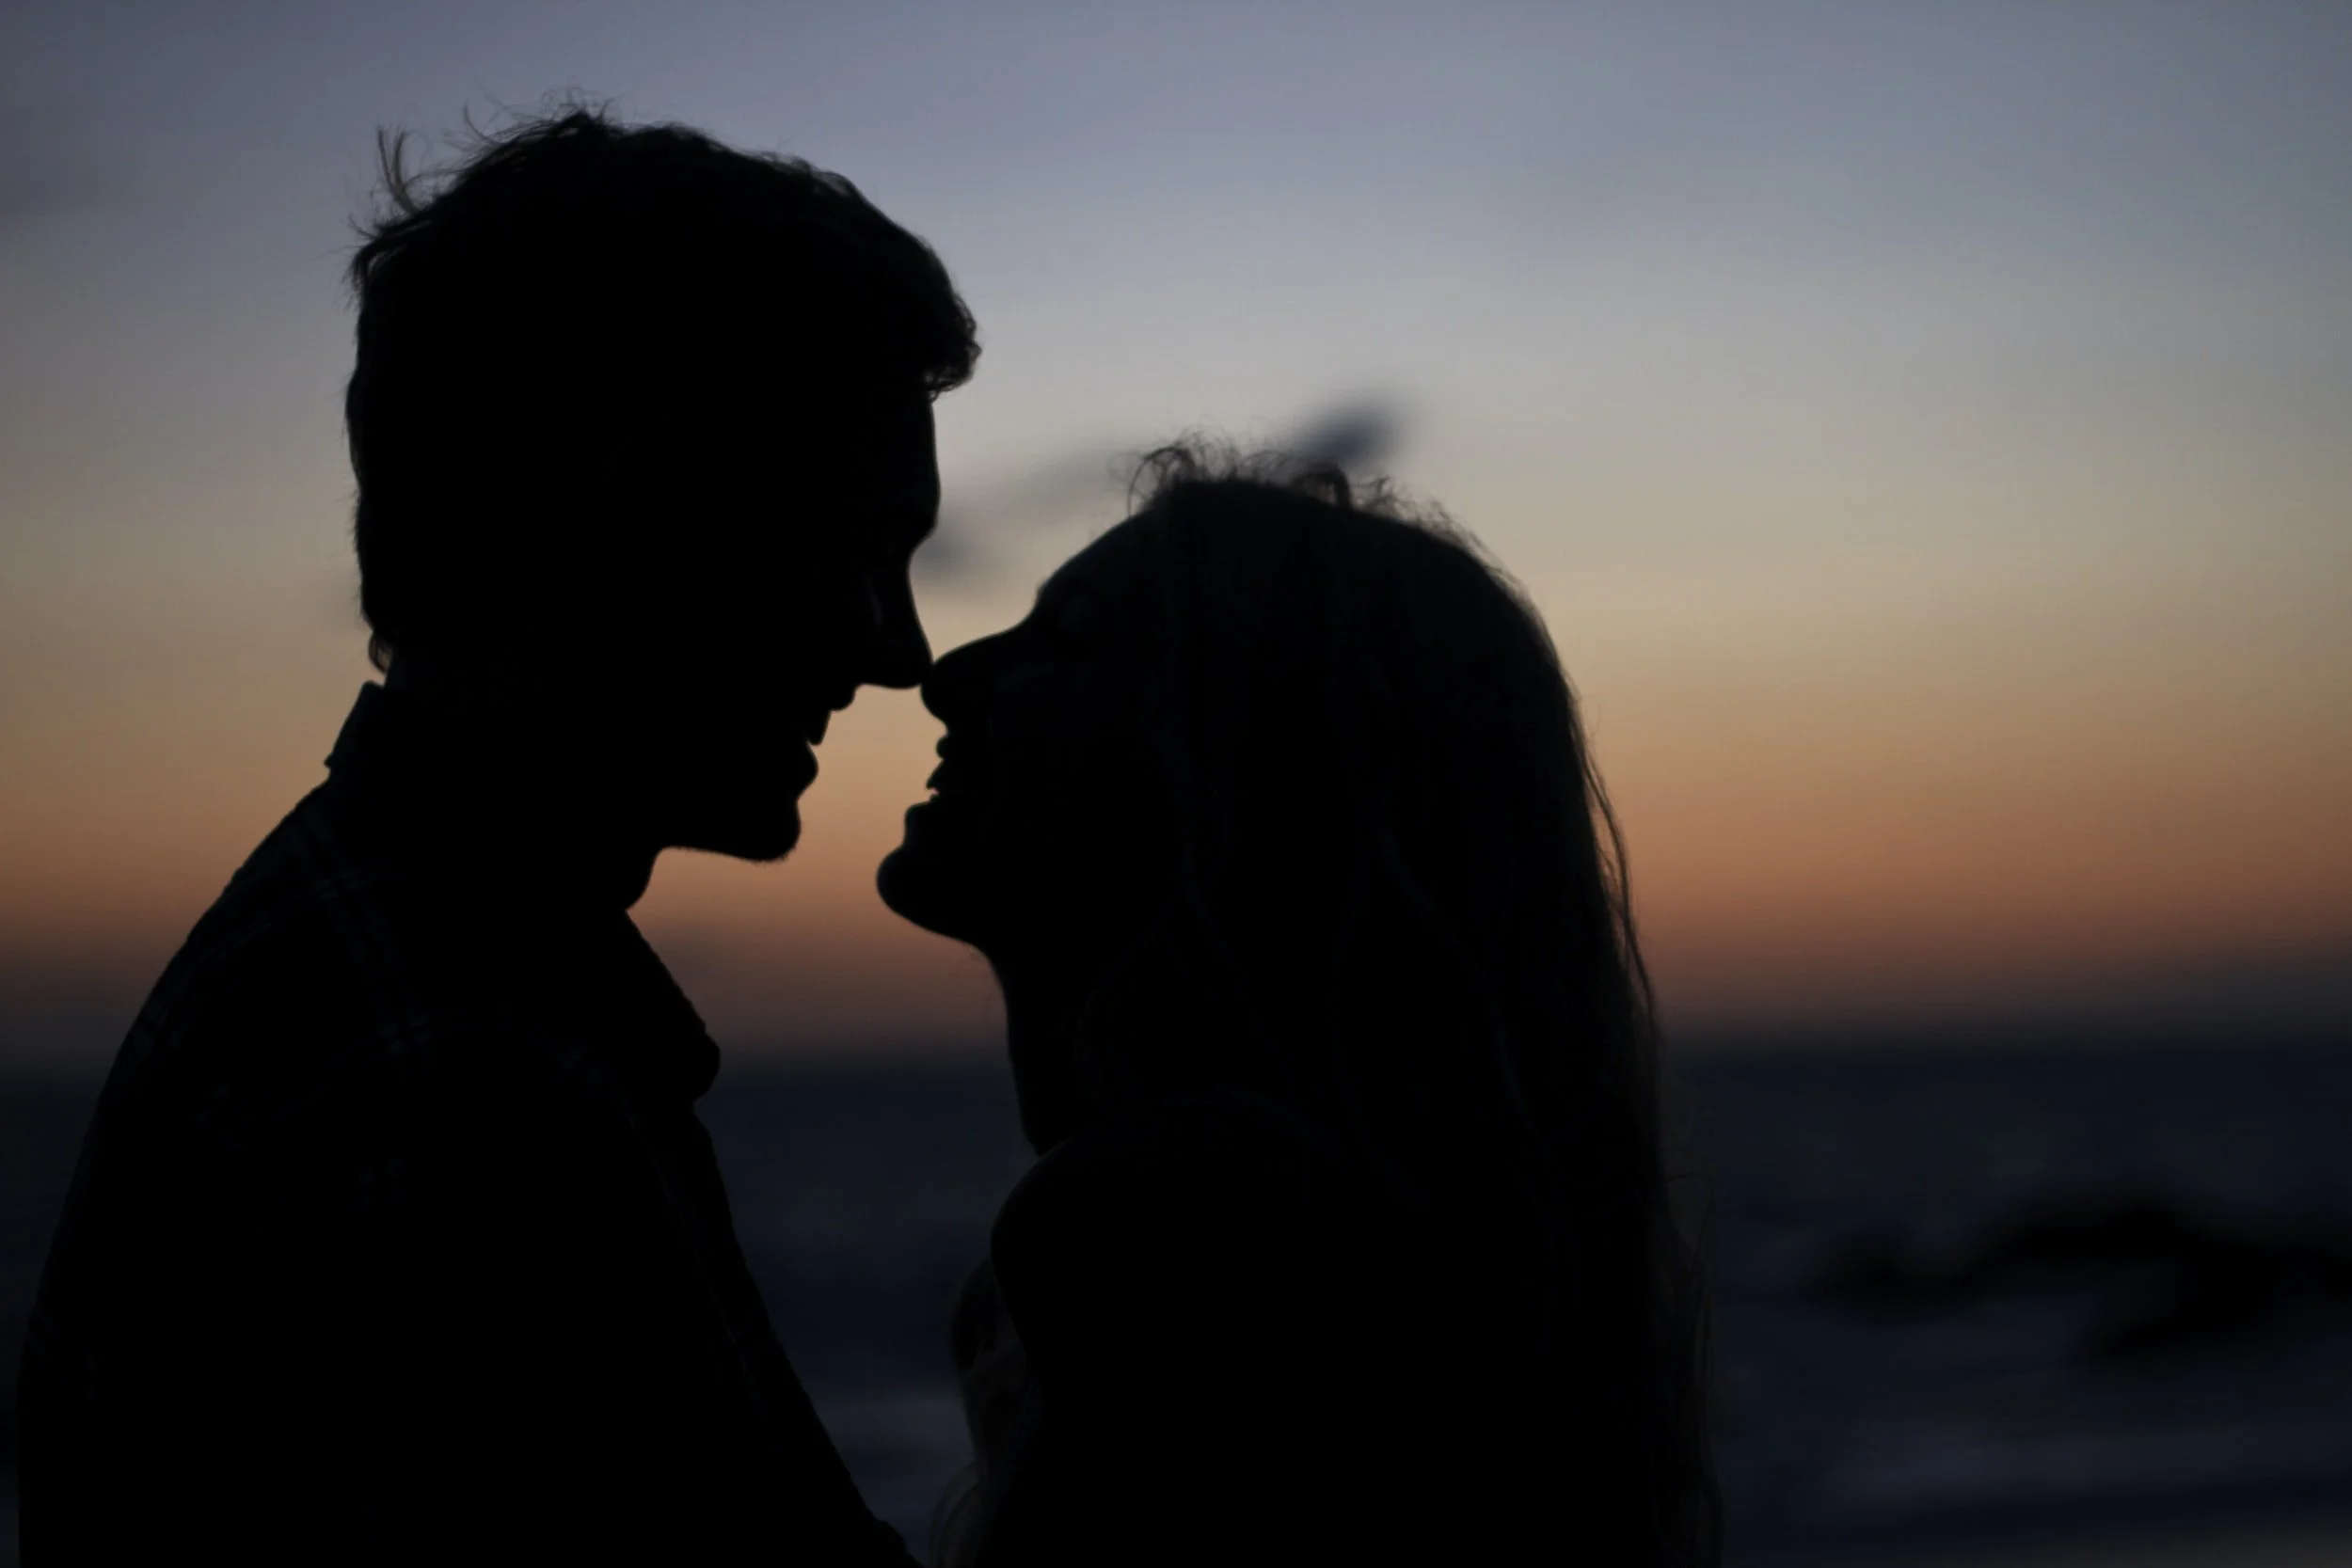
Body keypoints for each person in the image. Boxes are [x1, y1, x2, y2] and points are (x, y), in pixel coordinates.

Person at [20, 106, 975, 1563]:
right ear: (638, 508)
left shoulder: (390, 962)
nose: (899, 652)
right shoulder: (467, 1080)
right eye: (853, 549)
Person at [881, 448, 1721, 1567]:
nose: (951, 675)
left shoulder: (1168, 1226)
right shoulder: (1404, 1244)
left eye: (1068, 639)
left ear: (1247, 775)